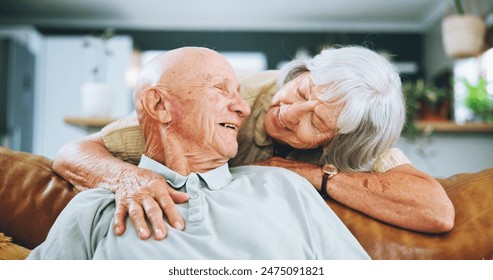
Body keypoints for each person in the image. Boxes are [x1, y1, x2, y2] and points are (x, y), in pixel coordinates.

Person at [53, 46, 455, 240]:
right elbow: (74, 152)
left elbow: (436, 210)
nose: (287, 113)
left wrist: (313, 175)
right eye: (301, 91)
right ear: (301, 72)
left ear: (342, 140)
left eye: (315, 121)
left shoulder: (355, 131)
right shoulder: (229, 99)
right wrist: (128, 179)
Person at [28, 47, 369, 259]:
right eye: (221, 89)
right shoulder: (94, 208)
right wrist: (126, 178)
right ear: (159, 105)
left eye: (238, 91)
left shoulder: (287, 188)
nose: (244, 109)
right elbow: (73, 152)